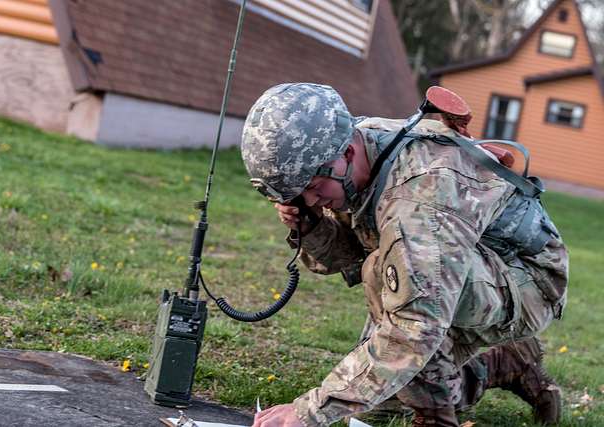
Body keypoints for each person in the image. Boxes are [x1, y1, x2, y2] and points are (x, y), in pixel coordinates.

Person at [241, 83, 568, 427]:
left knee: (385, 282)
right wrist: (310, 226)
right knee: (388, 399)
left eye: (311, 188)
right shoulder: (357, 149)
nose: (308, 200)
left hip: (528, 279)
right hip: (463, 266)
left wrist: (308, 412)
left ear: (346, 155)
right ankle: (508, 365)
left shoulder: (422, 194)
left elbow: (416, 325)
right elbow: (348, 258)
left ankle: (436, 417)